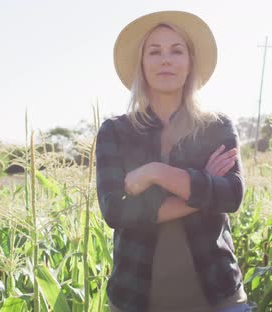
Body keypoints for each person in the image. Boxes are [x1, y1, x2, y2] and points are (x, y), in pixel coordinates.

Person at [95, 10, 251, 312]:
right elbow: (115, 210)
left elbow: (231, 195)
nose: (165, 59)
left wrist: (156, 173)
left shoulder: (215, 127)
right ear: (141, 63)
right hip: (135, 298)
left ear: (190, 62)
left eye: (176, 50)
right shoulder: (115, 132)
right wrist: (201, 188)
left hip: (219, 297)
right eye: (154, 51)